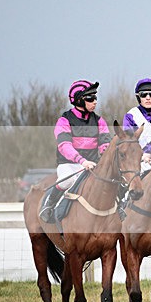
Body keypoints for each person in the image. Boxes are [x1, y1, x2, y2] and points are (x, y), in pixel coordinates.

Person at [40, 80, 112, 222]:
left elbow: (105, 143)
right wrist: (82, 161)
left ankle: (119, 209)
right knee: (67, 181)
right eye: (90, 98)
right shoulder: (64, 120)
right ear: (79, 100)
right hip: (69, 164)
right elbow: (64, 146)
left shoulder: (99, 121)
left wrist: (104, 154)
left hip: (93, 165)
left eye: (96, 98)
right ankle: (50, 204)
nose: (95, 102)